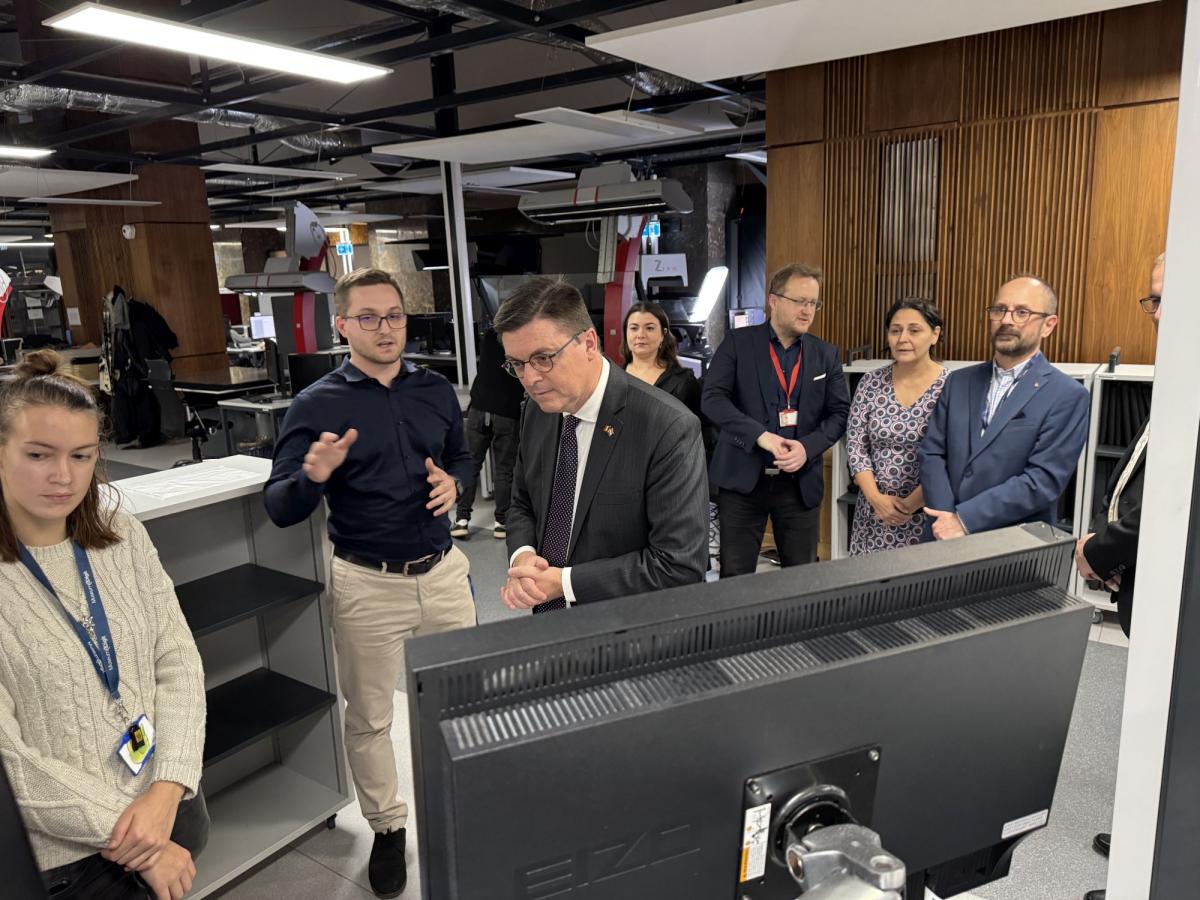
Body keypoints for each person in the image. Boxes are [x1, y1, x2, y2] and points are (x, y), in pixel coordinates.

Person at [264, 268, 476, 899]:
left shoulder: (435, 389)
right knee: (371, 717)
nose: (386, 329)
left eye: (395, 316)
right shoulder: (316, 405)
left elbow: (463, 456)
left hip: (444, 573)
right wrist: (313, 476)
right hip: (368, 584)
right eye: (369, 317)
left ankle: (462, 804)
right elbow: (279, 506)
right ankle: (387, 827)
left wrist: (456, 483)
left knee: (462, 701)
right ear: (342, 325)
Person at [0, 350, 207, 900]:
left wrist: (167, 788)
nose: (63, 476)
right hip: (73, 861)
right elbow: (10, 762)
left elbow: (177, 660)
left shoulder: (121, 535)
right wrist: (141, 838)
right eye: (38, 455)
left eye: (82, 455)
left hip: (170, 803)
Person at [495, 277, 708, 612]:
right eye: (517, 364)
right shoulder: (536, 412)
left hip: (626, 628)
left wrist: (565, 583)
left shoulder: (667, 427)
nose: (531, 379)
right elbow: (522, 503)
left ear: (589, 343)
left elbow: (678, 566)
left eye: (543, 358)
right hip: (548, 620)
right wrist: (523, 556)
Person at [1075, 253, 1164, 900]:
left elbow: (1165, 500)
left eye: (1166, 298)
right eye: (1152, 298)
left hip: (1172, 593)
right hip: (1144, 576)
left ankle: (1153, 866)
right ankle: (1147, 839)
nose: (1155, 313)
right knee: (1154, 724)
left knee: (1169, 726)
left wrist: (1102, 552)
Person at [702, 262, 850, 576]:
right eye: (800, 301)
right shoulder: (738, 343)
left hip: (799, 484)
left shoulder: (826, 355)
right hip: (743, 480)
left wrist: (807, 448)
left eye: (813, 303)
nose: (807, 311)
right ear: (773, 300)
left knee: (800, 578)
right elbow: (712, 399)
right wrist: (760, 435)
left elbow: (839, 414)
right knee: (736, 579)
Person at [920, 275, 1090, 539]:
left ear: (1048, 325)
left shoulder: (1067, 395)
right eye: (999, 310)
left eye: (1022, 312)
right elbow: (931, 452)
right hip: (941, 535)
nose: (1007, 320)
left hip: (1012, 543)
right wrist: (945, 517)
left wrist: (964, 520)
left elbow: (1042, 480)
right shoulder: (958, 381)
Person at [846, 299, 948, 554]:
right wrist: (876, 499)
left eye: (914, 330)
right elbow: (856, 445)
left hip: (926, 513)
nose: (903, 338)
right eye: (895, 330)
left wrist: (907, 506)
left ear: (934, 334)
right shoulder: (870, 382)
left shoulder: (951, 387)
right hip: (873, 512)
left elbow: (953, 456)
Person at [451, 327, 525, 540]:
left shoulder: (490, 336)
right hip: (506, 412)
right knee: (504, 470)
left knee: (471, 466)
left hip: (479, 407)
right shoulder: (522, 339)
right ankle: (501, 522)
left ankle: (461, 520)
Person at [621, 301, 702, 417]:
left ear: (663, 334)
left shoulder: (683, 382)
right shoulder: (612, 377)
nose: (640, 335)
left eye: (649, 328)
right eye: (634, 328)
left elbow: (701, 425)